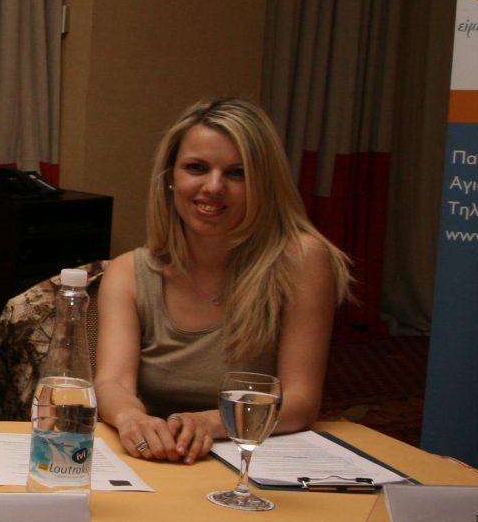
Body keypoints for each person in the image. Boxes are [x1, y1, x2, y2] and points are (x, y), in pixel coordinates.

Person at [96, 97, 352, 463]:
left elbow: (300, 401)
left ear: (264, 184)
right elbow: (113, 383)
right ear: (170, 178)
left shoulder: (301, 260)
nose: (214, 186)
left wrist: (209, 423)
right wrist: (131, 419)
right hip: (159, 458)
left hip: (256, 458)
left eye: (237, 173)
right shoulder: (127, 272)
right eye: (197, 167)